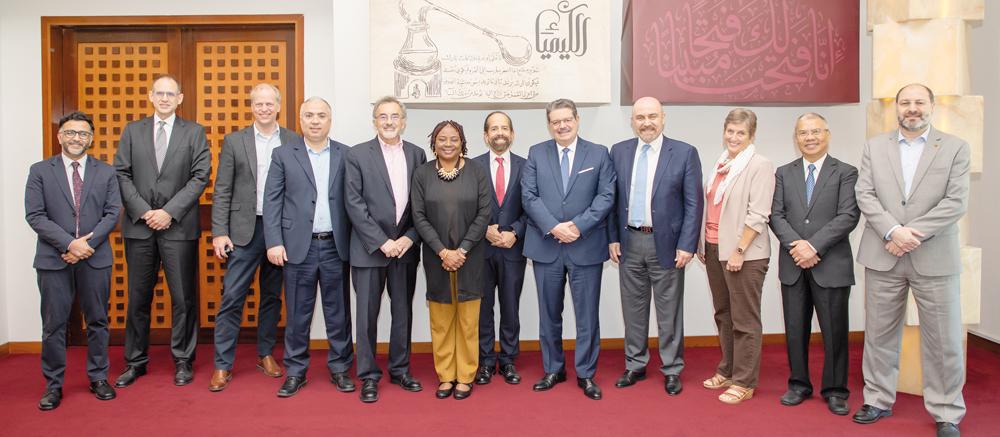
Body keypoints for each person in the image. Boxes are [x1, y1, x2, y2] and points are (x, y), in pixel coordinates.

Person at [853, 84, 970, 437]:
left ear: (932, 105)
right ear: (897, 107)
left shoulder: (955, 147)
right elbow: (865, 193)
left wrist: (909, 235)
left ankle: (947, 411)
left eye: (919, 102)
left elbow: (955, 202)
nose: (912, 108)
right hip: (884, 253)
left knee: (944, 340)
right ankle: (877, 399)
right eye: (906, 102)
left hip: (934, 256)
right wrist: (892, 231)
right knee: (879, 335)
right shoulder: (875, 146)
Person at [113, 74, 210, 388]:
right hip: (139, 228)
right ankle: (135, 362)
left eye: (171, 94)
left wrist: (169, 212)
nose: (165, 98)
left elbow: (200, 176)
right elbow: (121, 174)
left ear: (180, 98)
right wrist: (144, 212)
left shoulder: (194, 132)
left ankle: (183, 360)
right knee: (138, 299)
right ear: (151, 96)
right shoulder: (132, 130)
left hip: (178, 228)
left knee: (183, 299)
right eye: (160, 93)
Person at [26, 111, 122, 410]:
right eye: (70, 132)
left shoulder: (106, 171)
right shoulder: (40, 170)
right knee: (53, 324)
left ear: (91, 138)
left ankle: (98, 378)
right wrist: (69, 244)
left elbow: (112, 213)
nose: (76, 138)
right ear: (60, 136)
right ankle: (53, 384)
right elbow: (35, 215)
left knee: (98, 321)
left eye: (82, 133)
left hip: (95, 257)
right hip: (53, 258)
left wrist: (85, 245)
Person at [209, 83, 301, 391]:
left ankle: (265, 354)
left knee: (272, 296)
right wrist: (219, 231)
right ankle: (222, 365)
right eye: (258, 104)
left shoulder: (293, 140)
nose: (264, 108)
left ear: (278, 106)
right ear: (252, 107)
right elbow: (222, 189)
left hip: (280, 231)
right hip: (242, 231)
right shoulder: (234, 141)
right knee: (232, 297)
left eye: (269, 103)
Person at [521, 98, 616, 400]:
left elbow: (606, 196)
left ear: (577, 119)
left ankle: (586, 373)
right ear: (549, 124)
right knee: (549, 314)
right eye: (555, 121)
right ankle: (554, 369)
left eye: (567, 120)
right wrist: (554, 226)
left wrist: (576, 226)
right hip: (546, 245)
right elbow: (529, 196)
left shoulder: (599, 153)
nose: (562, 126)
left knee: (587, 316)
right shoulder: (536, 153)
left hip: (585, 245)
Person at [608, 97, 703, 396]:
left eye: (652, 116)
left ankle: (672, 369)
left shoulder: (685, 152)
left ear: (663, 117)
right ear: (632, 121)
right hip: (629, 241)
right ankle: (635, 365)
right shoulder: (619, 151)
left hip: (669, 244)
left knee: (669, 311)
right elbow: (611, 200)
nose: (646, 122)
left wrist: (687, 244)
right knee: (633, 309)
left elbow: (694, 204)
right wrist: (612, 237)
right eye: (640, 117)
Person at [261, 97, 354, 398]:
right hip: (297, 247)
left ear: (330, 120)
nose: (315, 121)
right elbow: (272, 202)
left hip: (335, 246)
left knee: (338, 313)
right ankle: (295, 372)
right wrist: (274, 241)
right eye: (309, 115)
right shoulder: (283, 154)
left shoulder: (346, 154)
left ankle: (340, 368)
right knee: (298, 315)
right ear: (301, 120)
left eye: (321, 115)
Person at [769, 113, 859, 415]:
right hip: (793, 263)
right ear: (796, 138)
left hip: (830, 263)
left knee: (835, 331)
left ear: (828, 135)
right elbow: (775, 215)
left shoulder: (845, 172)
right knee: (795, 329)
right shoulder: (784, 173)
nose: (810, 138)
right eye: (803, 133)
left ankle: (835, 390)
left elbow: (848, 216)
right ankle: (798, 384)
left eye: (816, 131)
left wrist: (813, 246)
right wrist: (798, 247)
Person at [345, 96, 427, 403]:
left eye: (395, 116)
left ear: (403, 121)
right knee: (366, 316)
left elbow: (423, 204)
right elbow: (354, 204)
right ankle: (368, 375)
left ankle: (400, 369)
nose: (389, 121)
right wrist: (382, 241)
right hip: (369, 250)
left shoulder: (417, 154)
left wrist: (410, 238)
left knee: (402, 312)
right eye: (383, 116)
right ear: (374, 121)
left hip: (405, 249)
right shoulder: (356, 154)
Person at [697, 108, 774, 404]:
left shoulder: (760, 165)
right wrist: (704, 244)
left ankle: (744, 381)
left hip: (744, 253)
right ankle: (728, 370)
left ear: (751, 136)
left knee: (745, 320)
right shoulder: (721, 164)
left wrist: (740, 250)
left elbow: (759, 214)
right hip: (715, 248)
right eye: (730, 131)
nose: (734, 137)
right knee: (724, 315)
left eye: (741, 133)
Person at [411, 120, 492, 400]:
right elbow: (418, 216)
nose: (448, 144)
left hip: (471, 256)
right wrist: (443, 252)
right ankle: (446, 375)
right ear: (433, 142)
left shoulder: (477, 171)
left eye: (454, 139)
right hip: (437, 258)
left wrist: (462, 250)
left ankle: (466, 376)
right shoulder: (422, 174)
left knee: (468, 321)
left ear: (462, 143)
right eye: (442, 139)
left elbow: (484, 214)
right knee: (442, 321)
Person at [472, 112, 527, 385]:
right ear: (486, 136)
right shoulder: (471, 166)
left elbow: (533, 207)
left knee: (510, 308)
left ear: (512, 134)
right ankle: (485, 362)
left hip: (513, 250)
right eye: (494, 129)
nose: (500, 133)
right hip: (481, 250)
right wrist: (484, 229)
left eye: (504, 128)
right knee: (483, 308)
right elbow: (464, 206)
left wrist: (515, 231)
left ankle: (507, 360)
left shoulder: (527, 166)